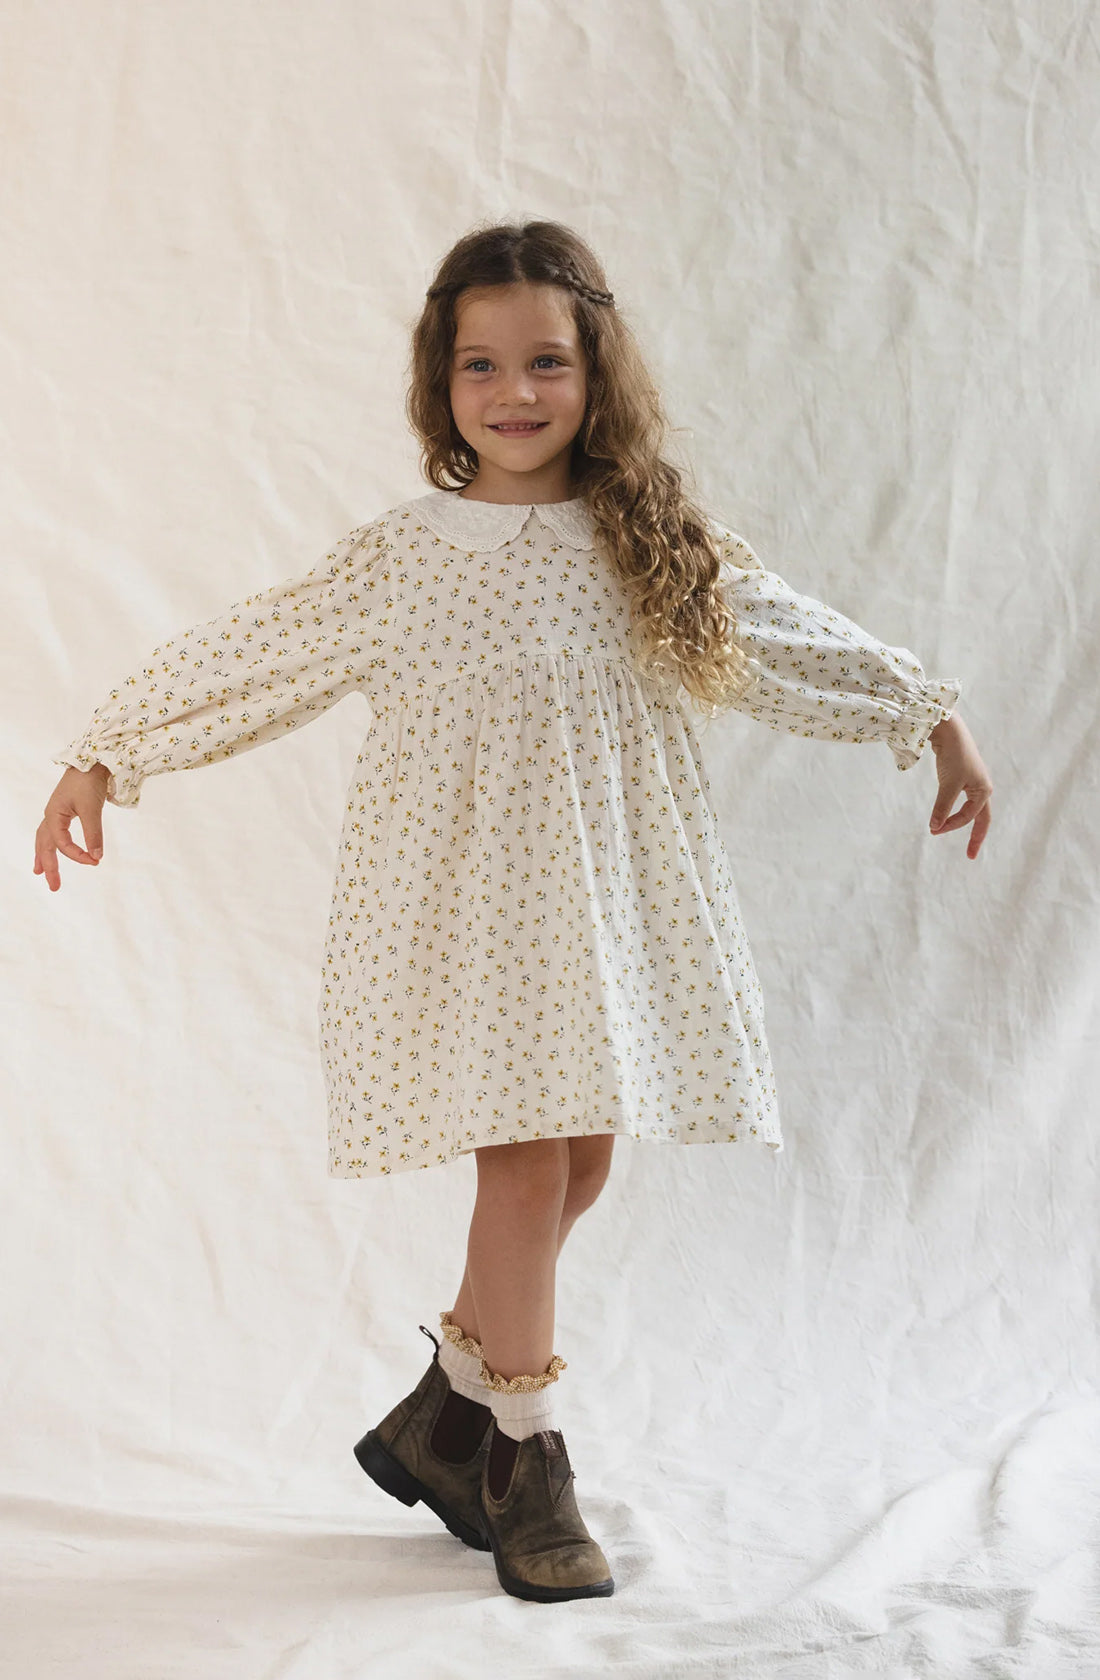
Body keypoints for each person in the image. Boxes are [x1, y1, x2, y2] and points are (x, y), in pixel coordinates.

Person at [34, 219, 993, 1605]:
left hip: (602, 912)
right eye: (481, 365)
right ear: (441, 384)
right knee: (526, 1175)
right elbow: (266, 643)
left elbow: (782, 633)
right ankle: (525, 1457)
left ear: (597, 371)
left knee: (578, 1170)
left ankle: (440, 1415)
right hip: (465, 912)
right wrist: (113, 748)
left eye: (546, 360)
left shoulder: (646, 541)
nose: (516, 392)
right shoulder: (408, 557)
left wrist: (927, 712)